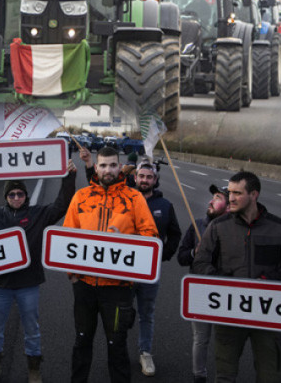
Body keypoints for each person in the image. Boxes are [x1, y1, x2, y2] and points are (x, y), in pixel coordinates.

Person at [0, 161, 78, 383]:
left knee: (32, 330)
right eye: (11, 194)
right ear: (6, 197)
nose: (16, 197)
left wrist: (68, 178)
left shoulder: (38, 214)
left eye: (20, 193)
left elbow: (62, 205)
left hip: (28, 284)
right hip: (0, 286)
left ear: (26, 195)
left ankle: (34, 370)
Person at [192, 171, 281, 383]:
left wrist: (272, 279)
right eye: (230, 192)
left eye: (237, 193)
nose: (231, 198)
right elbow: (200, 263)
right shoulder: (218, 226)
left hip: (267, 313)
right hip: (229, 311)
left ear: (254, 194)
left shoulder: (279, 228)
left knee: (270, 375)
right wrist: (220, 278)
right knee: (225, 375)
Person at [63, 145, 158, 383]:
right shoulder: (81, 197)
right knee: (82, 340)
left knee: (117, 344)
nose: (108, 170)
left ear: (120, 166)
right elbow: (67, 237)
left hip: (118, 288)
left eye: (113, 165)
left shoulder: (134, 198)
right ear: (96, 167)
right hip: (84, 285)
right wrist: (71, 271)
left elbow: (151, 236)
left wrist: (128, 241)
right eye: (103, 165)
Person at [131, 161, 181, 377]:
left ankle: (145, 352)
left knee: (146, 313)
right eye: (141, 176)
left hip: (149, 272)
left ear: (155, 180)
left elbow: (175, 234)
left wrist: (162, 255)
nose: (144, 180)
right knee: (118, 312)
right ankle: (117, 352)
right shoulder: (125, 200)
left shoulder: (166, 205)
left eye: (149, 177)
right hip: (121, 269)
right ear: (135, 178)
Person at [177, 184, 230, 383]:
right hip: (200, 291)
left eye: (217, 198)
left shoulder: (237, 230)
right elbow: (181, 257)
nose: (210, 201)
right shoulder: (197, 224)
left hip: (226, 292)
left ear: (229, 205)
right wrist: (194, 253)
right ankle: (199, 376)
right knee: (201, 338)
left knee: (225, 339)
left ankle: (224, 377)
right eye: (212, 197)